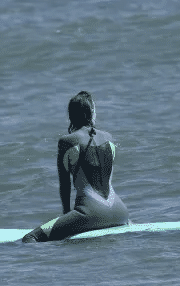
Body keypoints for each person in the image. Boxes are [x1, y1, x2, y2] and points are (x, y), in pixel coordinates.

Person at [23, 91, 129, 242]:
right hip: (120, 212)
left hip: (90, 214)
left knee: (30, 237)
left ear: (71, 116)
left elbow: (64, 185)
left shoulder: (67, 141)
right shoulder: (109, 138)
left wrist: (67, 219)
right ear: (92, 112)